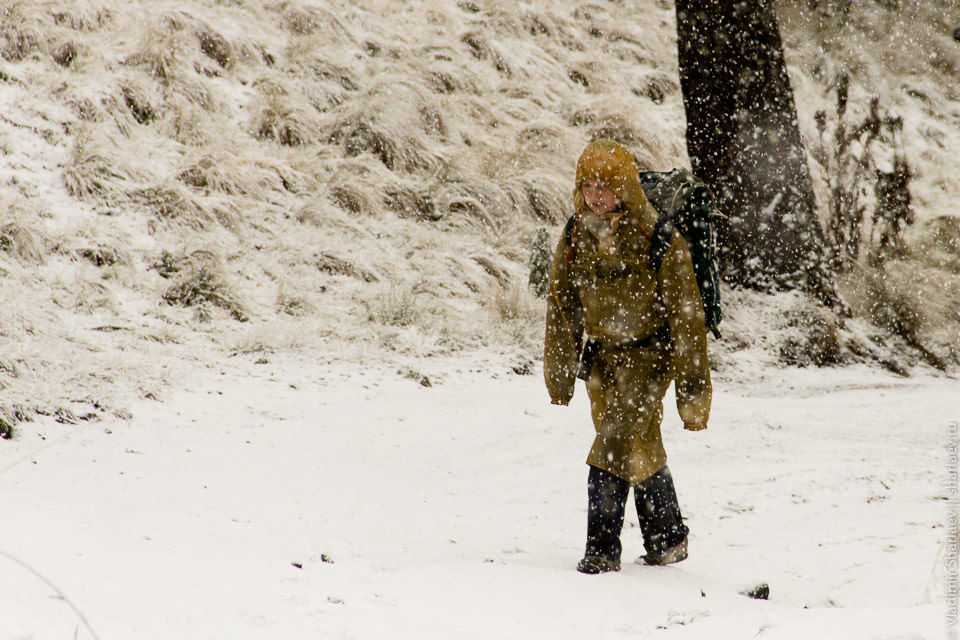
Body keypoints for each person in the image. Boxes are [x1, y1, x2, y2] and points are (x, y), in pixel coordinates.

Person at [543, 139, 712, 574]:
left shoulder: (656, 237)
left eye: (607, 186)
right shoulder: (575, 234)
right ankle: (668, 537)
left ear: (627, 190)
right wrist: (559, 375)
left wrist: (692, 392)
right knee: (639, 442)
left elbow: (688, 318)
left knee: (613, 443)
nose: (597, 196)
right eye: (589, 186)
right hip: (603, 360)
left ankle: (601, 550)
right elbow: (562, 307)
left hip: (652, 356)